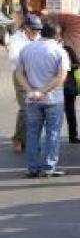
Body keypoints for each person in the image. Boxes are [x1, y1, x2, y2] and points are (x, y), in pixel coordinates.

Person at [16, 19, 69, 178]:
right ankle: (48, 167)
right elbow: (61, 77)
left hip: (32, 99)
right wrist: (43, 91)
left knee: (32, 133)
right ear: (57, 35)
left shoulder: (27, 49)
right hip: (53, 99)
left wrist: (31, 91)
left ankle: (33, 167)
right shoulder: (59, 51)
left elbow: (19, 73)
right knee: (52, 133)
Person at [8, 12, 35, 153]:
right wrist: (30, 54)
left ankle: (28, 139)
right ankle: (17, 139)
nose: (36, 33)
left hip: (34, 74)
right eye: (33, 29)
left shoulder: (38, 37)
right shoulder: (16, 39)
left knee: (35, 108)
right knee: (25, 108)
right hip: (20, 74)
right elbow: (13, 58)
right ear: (26, 28)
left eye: (38, 30)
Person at [61, 40, 80, 144]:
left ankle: (73, 135)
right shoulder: (49, 51)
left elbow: (78, 64)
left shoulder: (68, 49)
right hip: (54, 87)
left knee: (70, 112)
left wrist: (68, 66)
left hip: (68, 86)